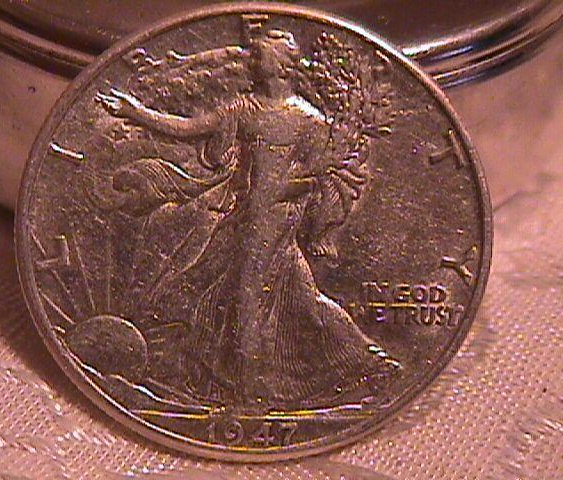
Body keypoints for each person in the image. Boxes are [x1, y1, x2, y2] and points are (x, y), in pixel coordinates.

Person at [97, 29, 399, 411]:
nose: (252, 62)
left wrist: (286, 190)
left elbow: (320, 179)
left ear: (282, 66)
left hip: (276, 224)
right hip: (244, 221)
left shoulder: (309, 122)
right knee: (295, 298)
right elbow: (188, 129)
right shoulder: (244, 109)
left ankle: (252, 391)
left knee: (247, 298)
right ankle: (365, 363)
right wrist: (135, 113)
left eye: (260, 56)